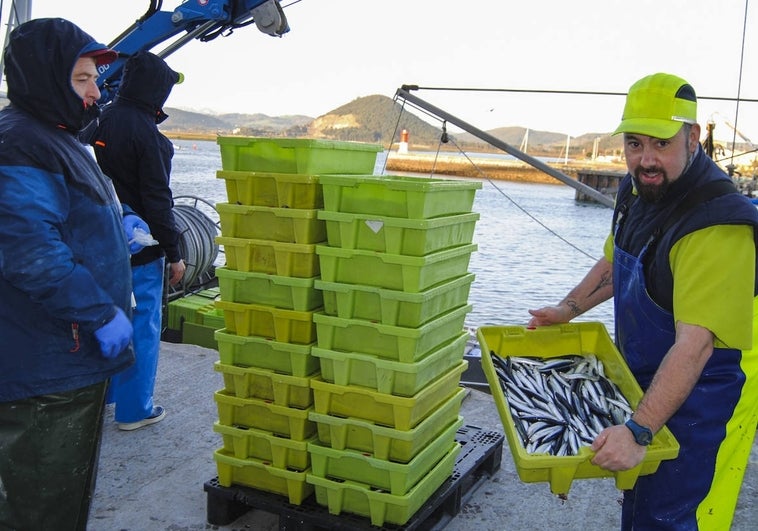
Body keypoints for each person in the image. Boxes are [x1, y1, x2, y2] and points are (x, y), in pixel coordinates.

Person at [528, 72, 758, 529]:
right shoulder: (639, 190)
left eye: (660, 143)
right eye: (635, 143)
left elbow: (695, 346)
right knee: (639, 503)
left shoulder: (716, 226)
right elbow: (617, 261)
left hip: (698, 395)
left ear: (692, 138)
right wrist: (566, 310)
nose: (646, 159)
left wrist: (638, 431)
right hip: (644, 380)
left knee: (669, 516)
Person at [0, 17, 143, 530]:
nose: (94, 93)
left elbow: (60, 215)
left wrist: (116, 219)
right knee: (42, 506)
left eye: (95, 80)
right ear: (43, 77)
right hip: (47, 365)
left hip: (69, 359)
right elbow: (29, 251)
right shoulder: (21, 142)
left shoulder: (56, 137)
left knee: (65, 495)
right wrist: (99, 311)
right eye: (81, 79)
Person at [91, 50, 186, 431]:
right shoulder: (152, 138)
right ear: (158, 94)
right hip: (141, 250)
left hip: (99, 245)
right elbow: (158, 201)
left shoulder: (98, 121)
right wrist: (175, 253)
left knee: (106, 320)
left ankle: (103, 400)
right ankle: (135, 410)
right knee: (143, 324)